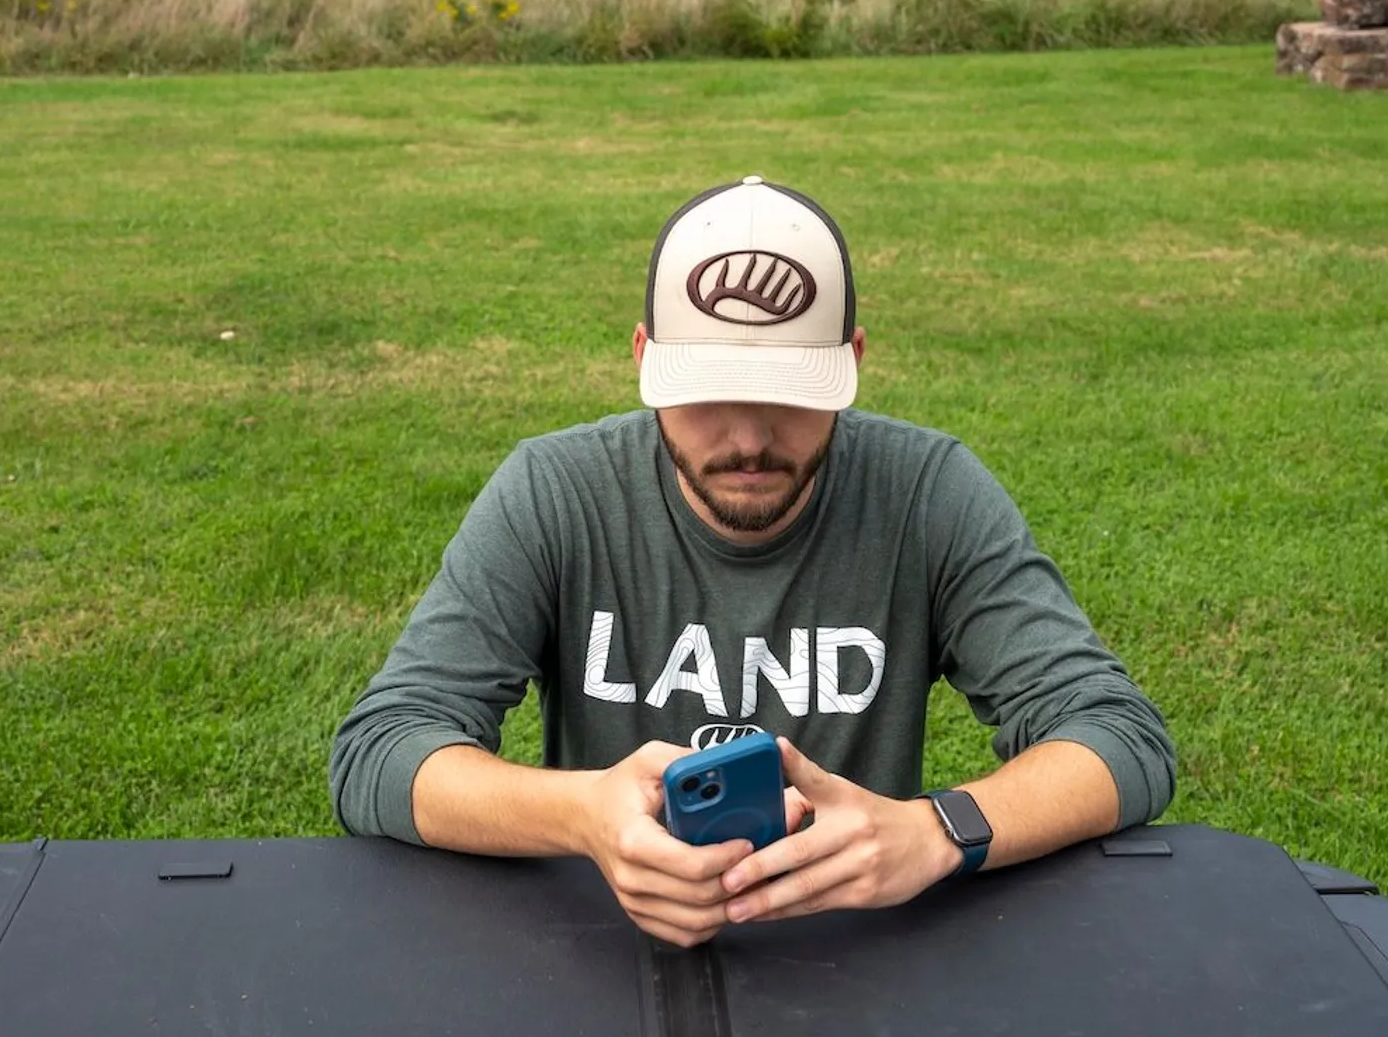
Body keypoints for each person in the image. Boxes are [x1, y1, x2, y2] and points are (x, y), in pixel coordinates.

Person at [330, 175, 1177, 948]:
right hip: (607, 952)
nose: (746, 439)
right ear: (643, 362)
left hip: (851, 957)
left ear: (851, 361)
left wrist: (934, 831)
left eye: (789, 394)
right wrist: (584, 815)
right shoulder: (558, 491)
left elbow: (1116, 735)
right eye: (705, 393)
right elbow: (383, 746)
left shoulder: (925, 493)